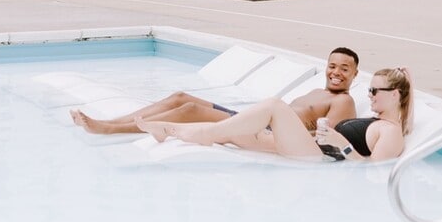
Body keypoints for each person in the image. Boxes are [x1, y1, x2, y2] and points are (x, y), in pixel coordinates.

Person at [140, 67, 414, 162]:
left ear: (394, 95)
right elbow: (406, 111)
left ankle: (199, 134)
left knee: (273, 106)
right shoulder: (383, 122)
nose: (370, 95)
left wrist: (341, 146)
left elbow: (373, 171)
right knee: (237, 136)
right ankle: (166, 130)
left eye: (376, 91)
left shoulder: (390, 133)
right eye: (369, 89)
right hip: (310, 145)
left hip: (320, 158)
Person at [70, 47, 359, 136]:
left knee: (190, 111)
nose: (336, 72)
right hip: (254, 118)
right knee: (180, 96)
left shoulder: (343, 101)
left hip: (266, 131)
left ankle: (109, 129)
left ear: (354, 75)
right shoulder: (316, 92)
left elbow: (325, 138)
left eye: (344, 69)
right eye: (333, 65)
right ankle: (116, 119)